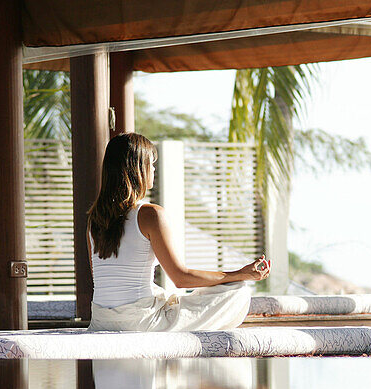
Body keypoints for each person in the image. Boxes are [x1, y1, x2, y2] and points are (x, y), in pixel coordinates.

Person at [86, 132, 270, 332]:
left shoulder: (94, 219)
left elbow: (104, 280)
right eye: (152, 164)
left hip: (101, 320)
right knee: (238, 291)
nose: (154, 170)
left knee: (168, 295)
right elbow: (181, 279)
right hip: (142, 322)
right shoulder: (150, 214)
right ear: (138, 169)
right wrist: (239, 274)